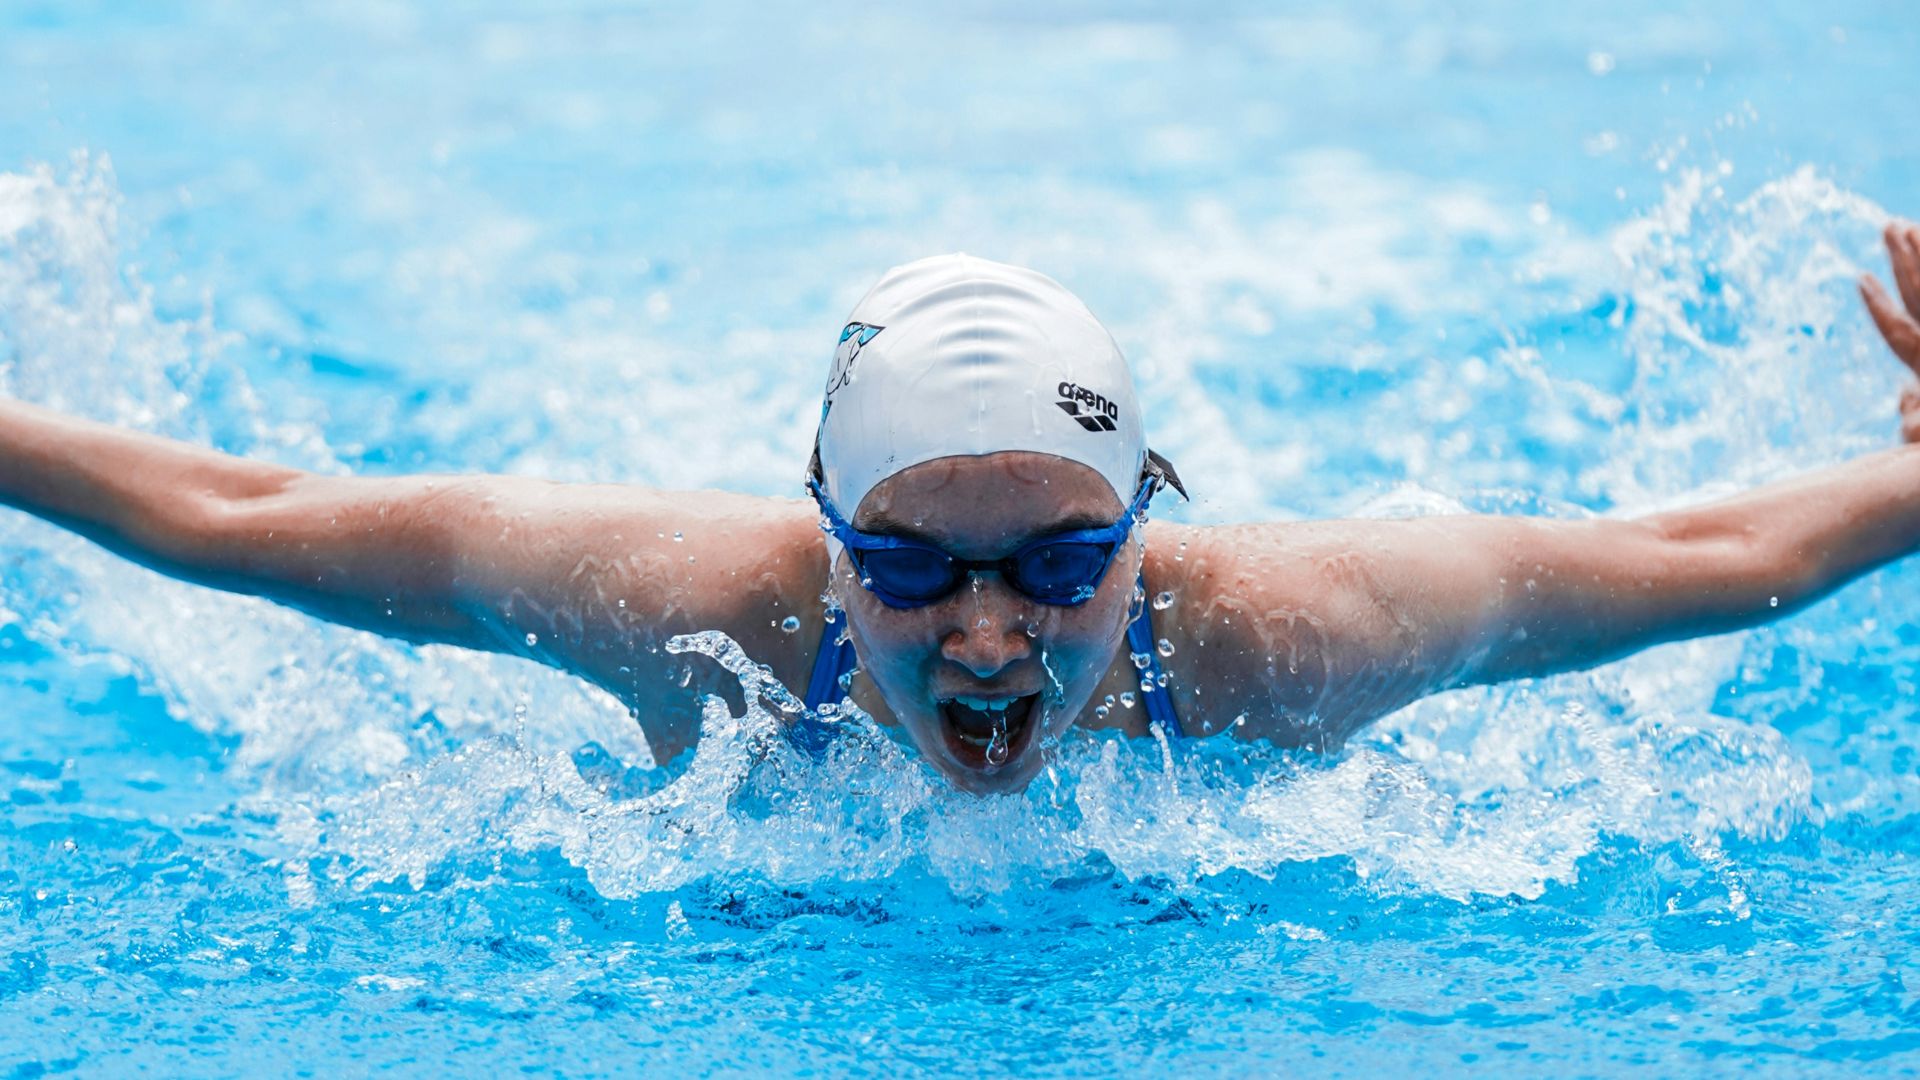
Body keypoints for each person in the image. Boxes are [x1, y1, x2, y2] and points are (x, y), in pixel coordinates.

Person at [7, 229, 1920, 796]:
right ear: (829, 539)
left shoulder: (1292, 637)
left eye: (1068, 562)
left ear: (1146, 530)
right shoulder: (697, 613)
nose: (993, 633)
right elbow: (248, 507)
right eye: (914, 567)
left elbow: (1710, 558)